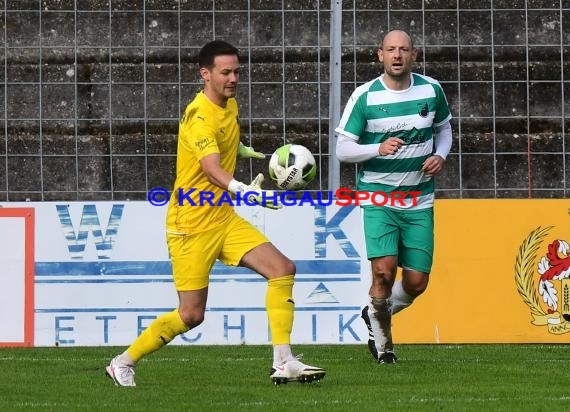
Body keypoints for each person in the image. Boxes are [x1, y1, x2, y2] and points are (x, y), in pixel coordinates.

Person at [105, 40, 325, 386]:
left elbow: (224, 142)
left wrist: (244, 151)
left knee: (282, 269)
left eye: (237, 71)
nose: (234, 78)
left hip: (222, 218)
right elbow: (210, 168)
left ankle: (283, 360)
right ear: (205, 74)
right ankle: (123, 361)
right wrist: (246, 191)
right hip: (190, 225)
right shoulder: (199, 117)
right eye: (226, 72)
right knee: (191, 315)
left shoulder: (229, 104)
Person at [335, 30, 452, 364]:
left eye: (403, 49)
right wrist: (378, 147)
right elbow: (343, 150)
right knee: (383, 273)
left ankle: (372, 313)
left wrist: (440, 156)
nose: (397, 55)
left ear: (414, 54)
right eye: (391, 50)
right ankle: (385, 347)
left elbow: (444, 129)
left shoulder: (431, 89)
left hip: (419, 200)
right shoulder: (365, 97)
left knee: (416, 282)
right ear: (380, 55)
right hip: (378, 198)